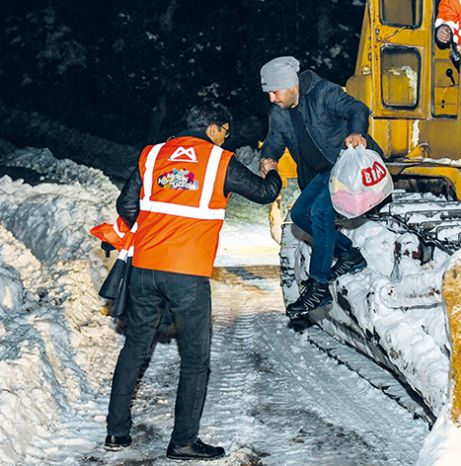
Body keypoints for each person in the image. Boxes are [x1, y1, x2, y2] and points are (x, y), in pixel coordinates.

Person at [105, 101, 281, 460]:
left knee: (135, 348)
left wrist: (153, 229)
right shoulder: (219, 161)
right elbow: (265, 193)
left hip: (144, 268)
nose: (224, 139)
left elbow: (126, 206)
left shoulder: (152, 155)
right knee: (195, 359)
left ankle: (116, 433)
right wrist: (272, 171)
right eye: (225, 132)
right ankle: (183, 441)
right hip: (187, 275)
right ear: (214, 128)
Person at [258, 56, 384, 319]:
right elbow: (274, 141)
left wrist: (357, 132)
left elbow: (357, 109)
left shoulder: (321, 92)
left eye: (274, 91)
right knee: (300, 215)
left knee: (321, 213)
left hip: (347, 164)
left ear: (290, 85)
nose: (272, 98)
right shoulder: (280, 113)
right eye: (268, 93)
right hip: (325, 171)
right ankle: (349, 254)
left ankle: (318, 286)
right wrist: (268, 158)